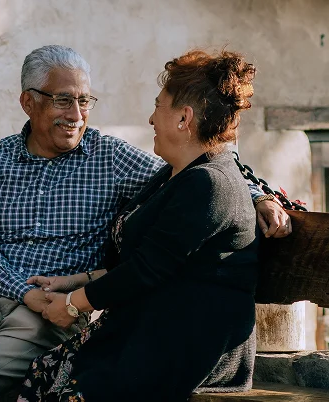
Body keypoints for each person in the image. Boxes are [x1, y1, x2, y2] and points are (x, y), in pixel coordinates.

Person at [0, 45, 289, 402]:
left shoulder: (111, 158)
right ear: (28, 102)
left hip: (50, 312)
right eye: (63, 100)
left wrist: (257, 195)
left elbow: (196, 175)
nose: (76, 114)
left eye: (84, 101)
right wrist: (25, 291)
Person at [18, 49, 263, 402]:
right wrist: (76, 281)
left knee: (68, 390)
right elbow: (141, 262)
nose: (150, 118)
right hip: (149, 328)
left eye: (158, 106)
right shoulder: (171, 174)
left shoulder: (211, 182)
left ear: (184, 118)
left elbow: (147, 270)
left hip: (190, 342)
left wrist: (71, 303)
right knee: (44, 372)